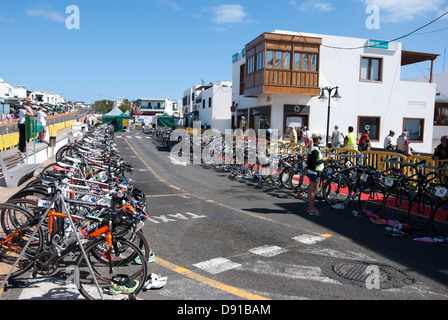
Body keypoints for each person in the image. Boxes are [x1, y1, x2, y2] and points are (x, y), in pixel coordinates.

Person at [306, 133, 328, 216]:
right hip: (315, 172)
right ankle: (311, 209)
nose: (321, 140)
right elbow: (315, 162)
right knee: (313, 191)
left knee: (311, 191)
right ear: (317, 139)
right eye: (320, 138)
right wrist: (324, 159)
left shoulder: (312, 148)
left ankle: (310, 207)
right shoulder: (315, 149)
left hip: (312, 171)